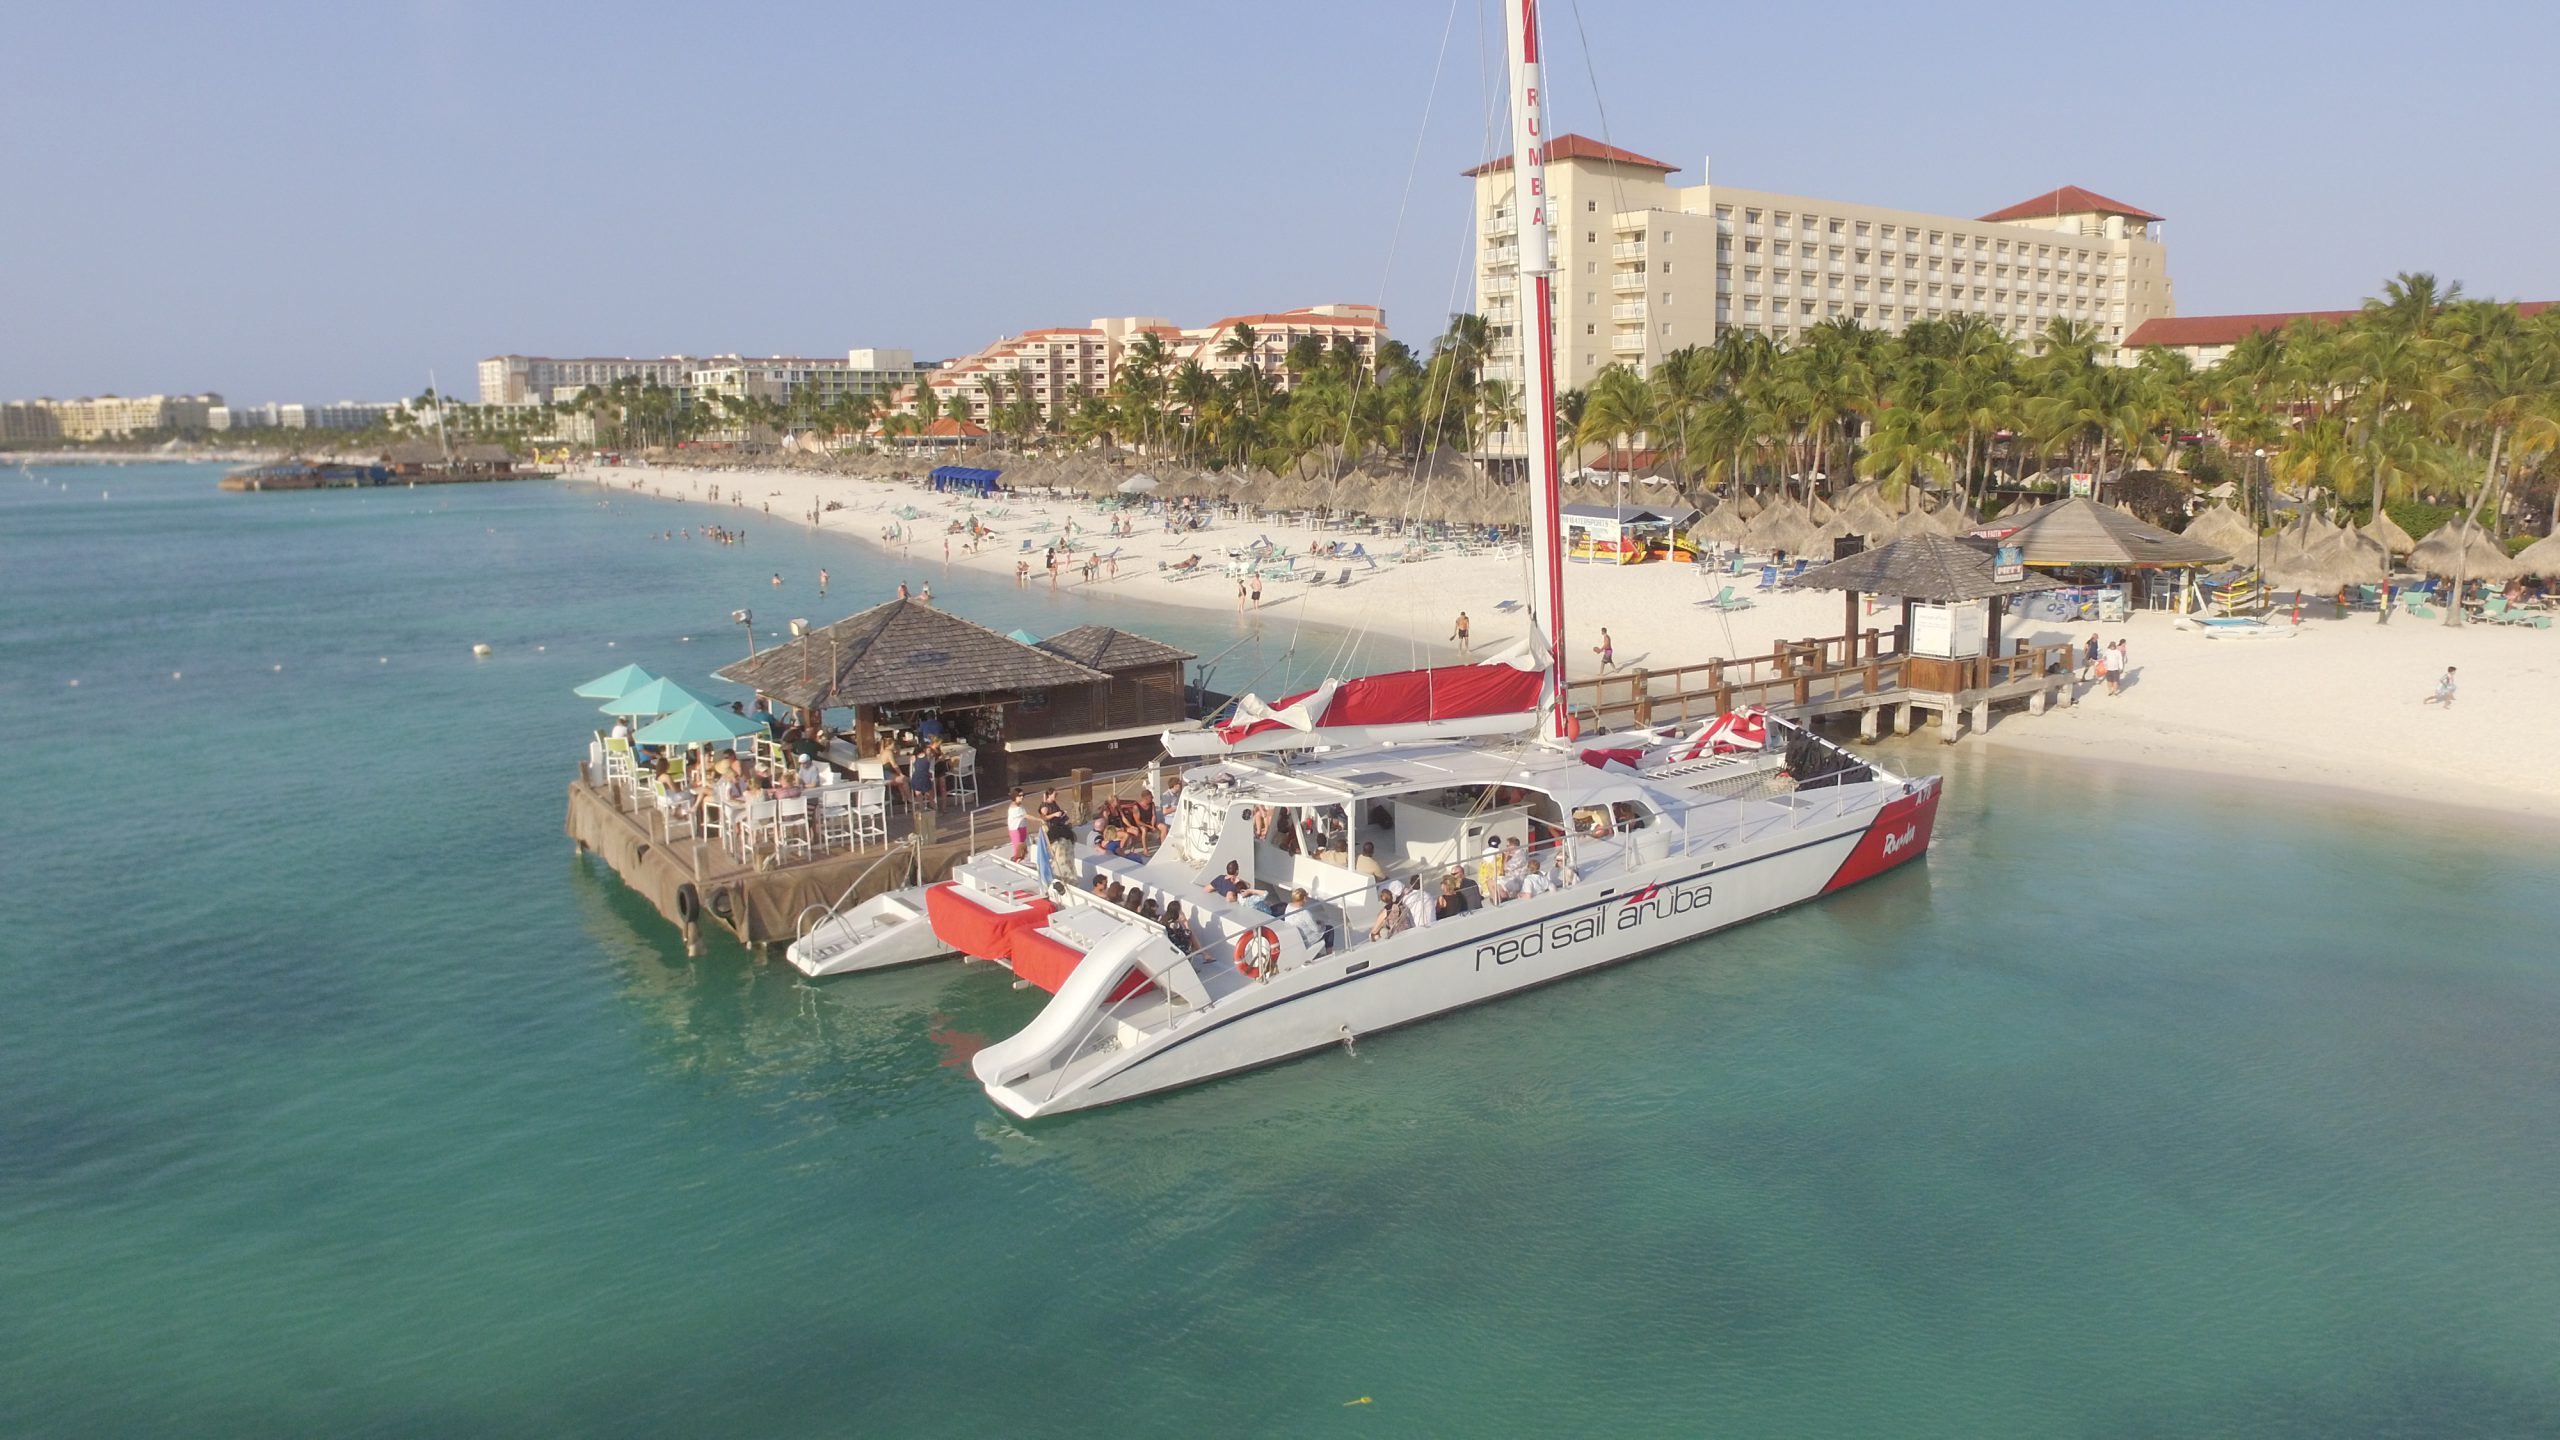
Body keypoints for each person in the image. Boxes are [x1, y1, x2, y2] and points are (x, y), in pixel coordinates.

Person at [1476, 839, 1507, 906]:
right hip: (1496, 877)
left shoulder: (1484, 854)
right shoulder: (1500, 853)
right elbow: (1502, 868)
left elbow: (1481, 870)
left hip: (1485, 881)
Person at [1007, 789, 1030, 863]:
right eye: (1020, 796)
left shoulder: (1020, 805)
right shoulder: (1014, 807)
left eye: (1023, 795)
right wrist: (1039, 820)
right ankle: (1016, 861)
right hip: (1015, 829)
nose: (1022, 797)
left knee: (1023, 849)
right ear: (1015, 796)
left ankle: (1019, 860)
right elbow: (1026, 816)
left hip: (1022, 828)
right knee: (1018, 849)